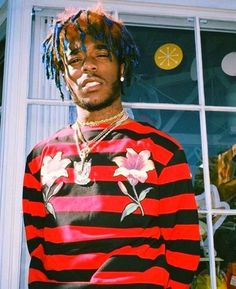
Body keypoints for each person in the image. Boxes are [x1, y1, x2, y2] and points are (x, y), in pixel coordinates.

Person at [23, 5, 200, 289]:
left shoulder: (162, 151)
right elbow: (39, 246)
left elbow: (184, 250)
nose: (88, 65)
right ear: (64, 75)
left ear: (122, 67)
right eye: (75, 58)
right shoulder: (40, 158)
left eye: (101, 54)